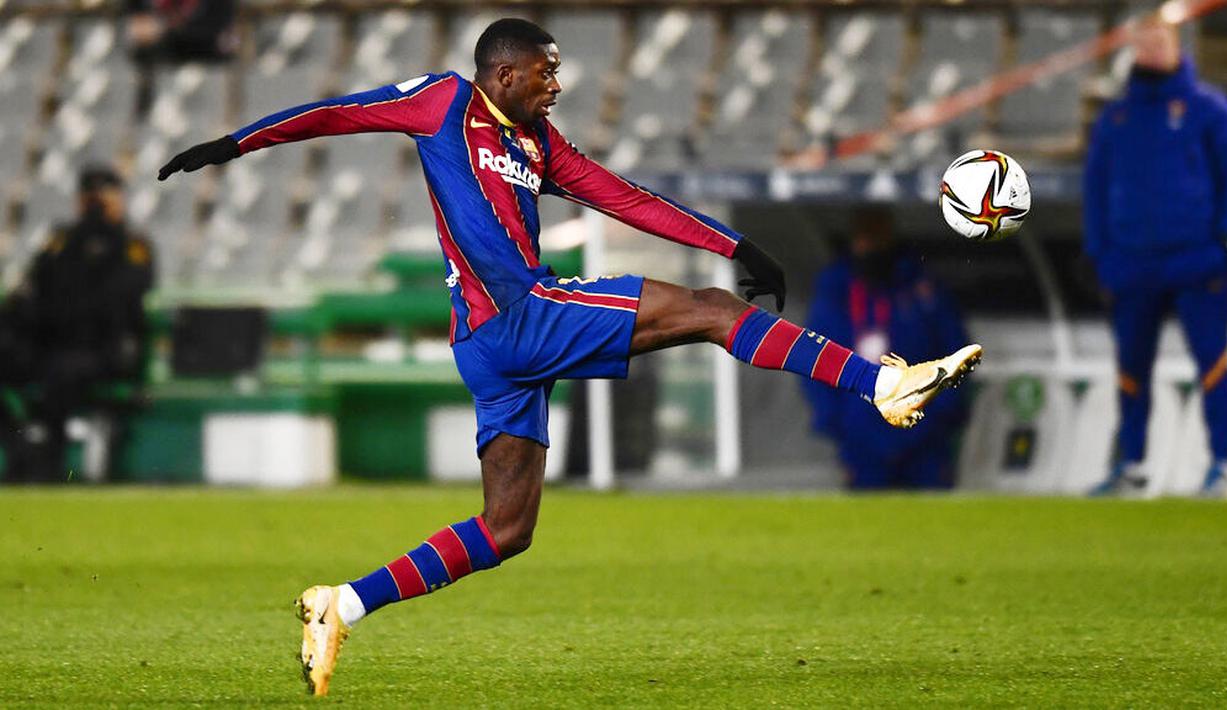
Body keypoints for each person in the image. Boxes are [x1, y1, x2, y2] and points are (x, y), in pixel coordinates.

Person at [157, 18, 982, 696]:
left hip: (491, 349)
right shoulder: (442, 101)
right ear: (504, 71)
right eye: (545, 73)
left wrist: (733, 241)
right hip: (516, 315)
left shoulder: (538, 143)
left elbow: (626, 197)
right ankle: (880, 380)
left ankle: (341, 604)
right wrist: (232, 145)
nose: (556, 85)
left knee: (507, 528)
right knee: (708, 312)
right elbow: (334, 113)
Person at [1084, 14, 1227, 496]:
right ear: (1131, 49)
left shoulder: (1209, 109)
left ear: (1176, 45)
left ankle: (1224, 465)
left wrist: (1223, 244)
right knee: (1130, 368)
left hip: (1197, 262)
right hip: (1132, 265)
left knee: (1213, 363)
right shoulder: (1116, 118)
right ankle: (1132, 466)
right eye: (1142, 43)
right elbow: (1096, 191)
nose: (1151, 51)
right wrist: (1102, 255)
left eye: (1159, 41)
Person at [0, 166, 154, 482]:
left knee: (63, 373)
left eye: (103, 197)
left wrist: (98, 240)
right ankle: (19, 448)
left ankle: (48, 461)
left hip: (102, 348)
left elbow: (122, 293)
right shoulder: (62, 240)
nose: (95, 205)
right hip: (53, 343)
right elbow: (36, 284)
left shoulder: (132, 244)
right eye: (89, 197)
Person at [803, 209, 971, 489]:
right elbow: (815, 362)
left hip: (924, 438)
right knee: (867, 527)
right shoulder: (836, 292)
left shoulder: (922, 289)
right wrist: (839, 423)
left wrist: (938, 418)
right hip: (861, 441)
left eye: (877, 237)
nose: (870, 247)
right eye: (864, 238)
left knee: (933, 524)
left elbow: (955, 357)